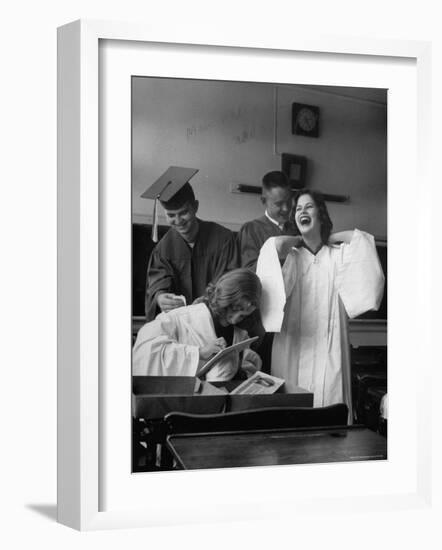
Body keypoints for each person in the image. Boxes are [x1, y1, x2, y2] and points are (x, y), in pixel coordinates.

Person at [256, 190, 385, 415]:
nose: (302, 212)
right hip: (294, 344)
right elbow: (272, 248)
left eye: (309, 207)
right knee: (292, 410)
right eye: (297, 209)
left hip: (329, 345)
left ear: (321, 214)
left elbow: (361, 243)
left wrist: (332, 237)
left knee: (329, 405)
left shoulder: (337, 255)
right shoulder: (292, 257)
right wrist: (297, 239)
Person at [142, 167, 239, 321]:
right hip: (181, 327)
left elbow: (230, 280)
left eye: (183, 212)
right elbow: (157, 283)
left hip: (216, 323)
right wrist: (160, 297)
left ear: (195, 207)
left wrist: (207, 302)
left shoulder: (223, 239)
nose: (179, 221)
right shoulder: (163, 249)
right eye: (171, 215)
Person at [133, 269, 262, 381]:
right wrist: (199, 352)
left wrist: (242, 364)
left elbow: (245, 369)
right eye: (235, 308)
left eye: (243, 315)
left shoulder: (240, 333)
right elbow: (144, 355)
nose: (235, 319)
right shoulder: (178, 318)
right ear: (226, 298)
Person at [237, 171, 298, 271]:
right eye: (279, 204)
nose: (286, 208)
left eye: (289, 201)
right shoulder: (251, 230)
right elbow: (248, 272)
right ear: (263, 201)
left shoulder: (297, 228)